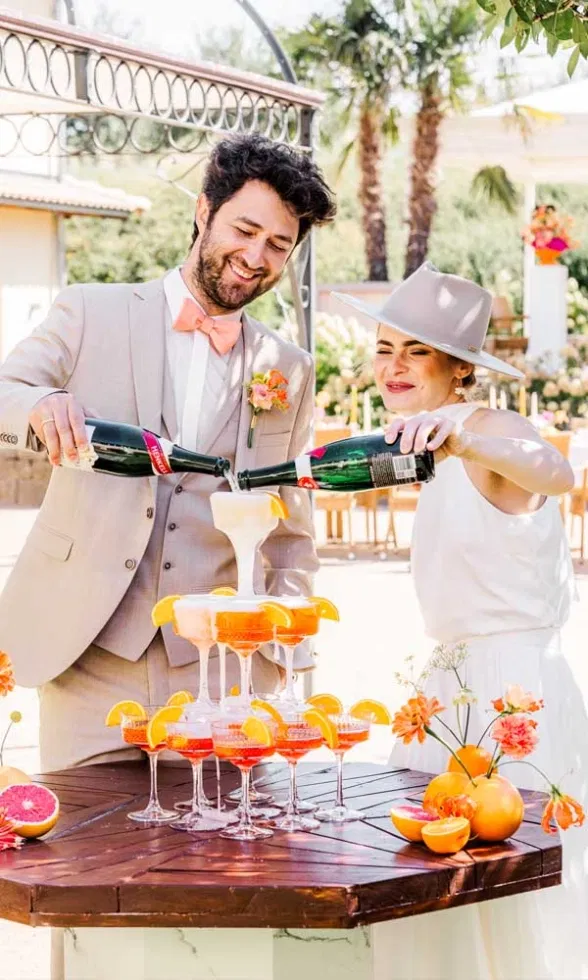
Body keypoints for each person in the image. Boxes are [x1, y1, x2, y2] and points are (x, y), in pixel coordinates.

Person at [0, 134, 336, 772]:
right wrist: (41, 407)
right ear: (204, 211)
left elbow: (292, 528)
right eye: (244, 229)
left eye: (278, 245)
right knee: (82, 859)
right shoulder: (88, 311)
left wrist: (292, 662)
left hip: (226, 676)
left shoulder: (287, 368)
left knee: (227, 863)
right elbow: (6, 390)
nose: (254, 256)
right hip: (88, 659)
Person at [335, 262, 587, 979]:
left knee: (504, 887)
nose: (393, 365)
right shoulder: (424, 443)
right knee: (430, 883)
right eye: (384, 348)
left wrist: (468, 440)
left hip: (513, 691)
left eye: (415, 350)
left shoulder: (490, 430)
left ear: (459, 369)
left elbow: (555, 471)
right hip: (448, 688)